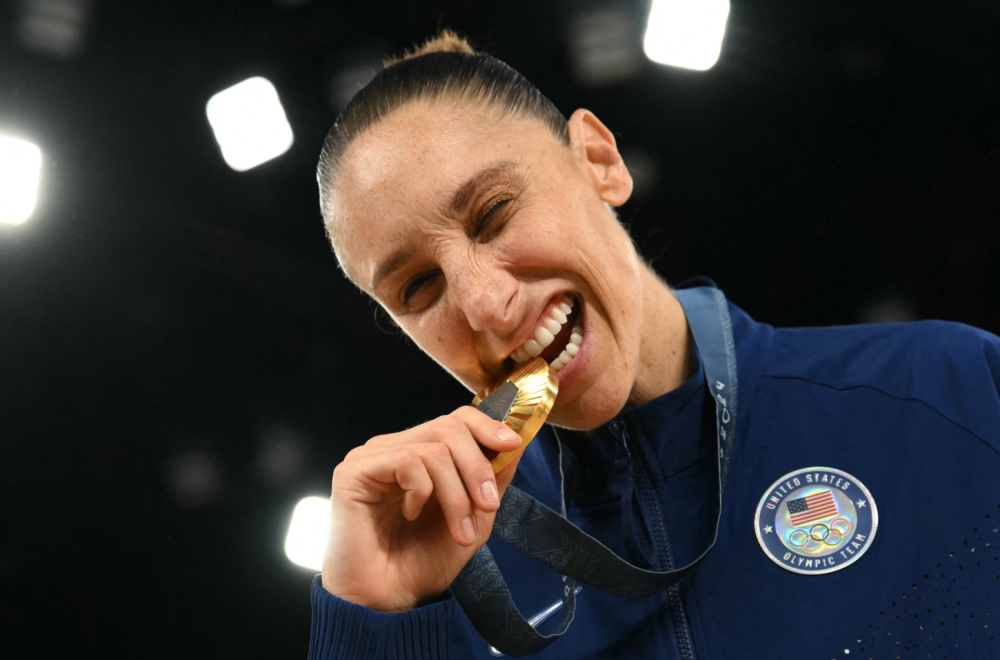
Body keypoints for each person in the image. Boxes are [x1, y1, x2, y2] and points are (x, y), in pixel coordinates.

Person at [307, 30, 1000, 659]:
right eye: (420, 288)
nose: (486, 304)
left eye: (494, 213)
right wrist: (367, 618)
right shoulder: (441, 578)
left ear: (599, 161)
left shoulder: (949, 393)